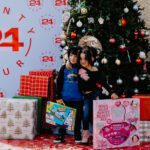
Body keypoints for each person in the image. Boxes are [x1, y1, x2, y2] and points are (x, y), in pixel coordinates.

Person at [78, 46, 119, 144]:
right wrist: (96, 82)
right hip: (87, 97)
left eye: (85, 59)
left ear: (91, 59)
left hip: (96, 95)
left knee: (100, 115)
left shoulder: (96, 70)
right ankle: (85, 134)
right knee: (86, 115)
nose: (82, 61)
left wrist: (112, 92)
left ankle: (102, 135)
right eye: (81, 59)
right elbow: (86, 84)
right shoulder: (81, 71)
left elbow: (104, 83)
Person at [53, 46, 83, 144]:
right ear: (68, 56)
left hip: (78, 98)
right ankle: (61, 135)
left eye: (76, 56)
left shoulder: (80, 68)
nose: (73, 58)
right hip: (64, 97)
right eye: (71, 55)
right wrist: (58, 96)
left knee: (78, 119)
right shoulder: (64, 68)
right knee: (62, 118)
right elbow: (59, 82)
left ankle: (77, 134)